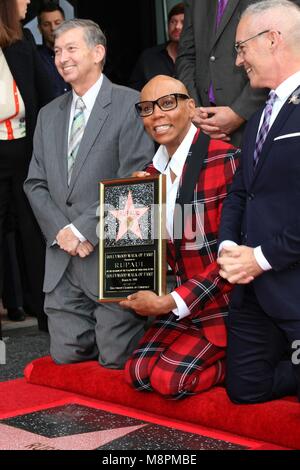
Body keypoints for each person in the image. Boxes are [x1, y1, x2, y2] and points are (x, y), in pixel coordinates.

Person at [24, 19, 154, 368]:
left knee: (116, 360)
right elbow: (34, 183)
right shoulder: (48, 115)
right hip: (63, 259)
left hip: (113, 258)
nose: (61, 58)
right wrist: (62, 232)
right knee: (66, 358)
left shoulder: (131, 104)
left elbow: (135, 181)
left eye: (70, 48)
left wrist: (83, 229)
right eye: (56, 51)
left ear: (98, 53)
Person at [121, 75, 240, 398]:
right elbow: (149, 254)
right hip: (182, 306)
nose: (156, 115)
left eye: (167, 103)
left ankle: (244, 363)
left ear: (190, 107)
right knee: (138, 373)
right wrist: (138, 209)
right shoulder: (149, 174)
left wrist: (168, 301)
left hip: (221, 304)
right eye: (146, 108)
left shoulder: (225, 159)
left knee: (170, 381)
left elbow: (231, 258)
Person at [217, 0, 300, 404]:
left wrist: (262, 257)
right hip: (253, 288)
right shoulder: (262, 113)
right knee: (245, 388)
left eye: (241, 47)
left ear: (272, 40)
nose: (237, 61)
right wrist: (229, 247)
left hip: (292, 279)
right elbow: (241, 191)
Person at [0, 0, 52, 328]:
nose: (28, 1)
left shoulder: (25, 42)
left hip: (26, 152)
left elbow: (46, 94)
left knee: (34, 233)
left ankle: (47, 313)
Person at [175, 0, 271, 146]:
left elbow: (280, 49)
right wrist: (194, 109)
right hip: (203, 123)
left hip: (255, 117)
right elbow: (186, 56)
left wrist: (239, 112)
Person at [129, 3, 184, 91]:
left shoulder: (201, 57)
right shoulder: (148, 57)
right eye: (173, 21)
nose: (177, 26)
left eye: (183, 22)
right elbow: (134, 92)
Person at [37, 3, 71, 97]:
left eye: (57, 23)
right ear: (39, 29)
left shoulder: (77, 54)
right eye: (46, 24)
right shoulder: (36, 59)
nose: (53, 28)